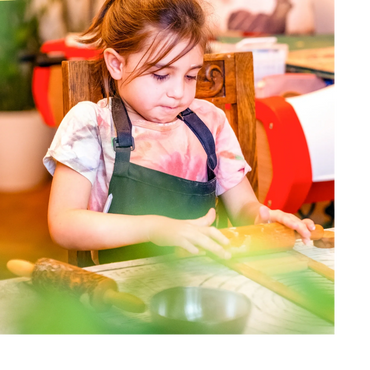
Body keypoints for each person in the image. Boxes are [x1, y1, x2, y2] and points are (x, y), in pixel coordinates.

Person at [44, 0, 315, 265]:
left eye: (191, 76)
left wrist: (263, 218)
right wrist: (155, 229)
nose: (178, 93)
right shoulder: (92, 124)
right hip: (123, 288)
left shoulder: (211, 122)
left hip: (206, 281)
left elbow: (244, 208)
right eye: (161, 75)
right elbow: (64, 223)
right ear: (117, 64)